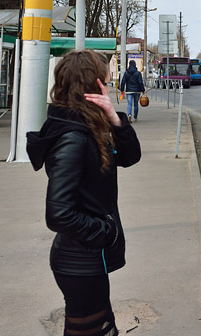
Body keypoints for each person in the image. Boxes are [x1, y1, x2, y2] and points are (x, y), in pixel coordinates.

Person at [27, 50, 141, 336]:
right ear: (93, 83)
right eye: (106, 76)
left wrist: (115, 118)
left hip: (89, 258)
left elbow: (130, 157)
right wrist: (105, 231)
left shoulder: (89, 125)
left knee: (102, 328)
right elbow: (58, 213)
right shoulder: (73, 138)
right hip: (79, 261)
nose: (111, 78)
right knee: (95, 330)